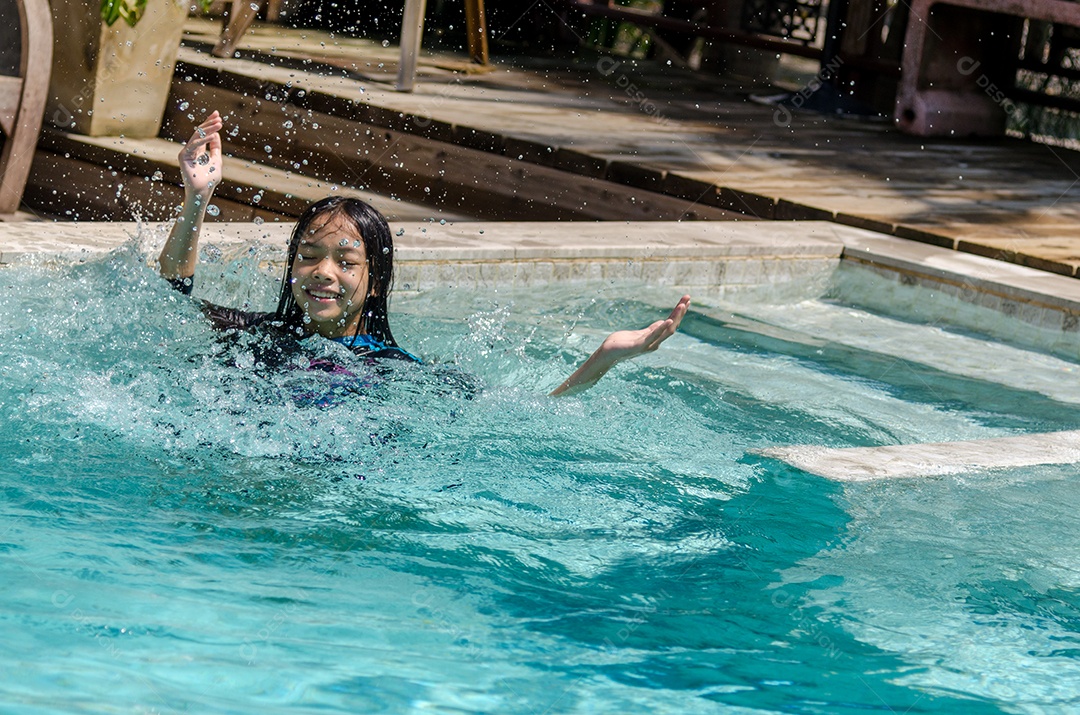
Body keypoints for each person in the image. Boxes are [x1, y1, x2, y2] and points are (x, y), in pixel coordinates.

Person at [158, 112, 691, 396]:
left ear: (375, 279)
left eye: (346, 262)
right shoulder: (252, 334)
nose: (322, 272)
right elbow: (164, 300)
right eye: (309, 254)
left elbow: (528, 420)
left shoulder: (399, 371)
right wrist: (197, 200)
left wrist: (603, 358)